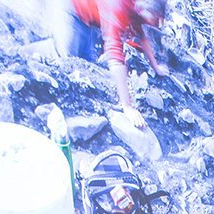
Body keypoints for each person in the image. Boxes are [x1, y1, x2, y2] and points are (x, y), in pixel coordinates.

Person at [56, 0, 170, 129]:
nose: (157, 23)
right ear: (143, 9)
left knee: (86, 69)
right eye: (155, 18)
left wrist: (156, 67)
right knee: (68, 66)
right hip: (74, 12)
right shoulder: (117, 6)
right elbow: (114, 53)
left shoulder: (137, 7)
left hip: (93, 17)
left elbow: (141, 36)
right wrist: (127, 107)